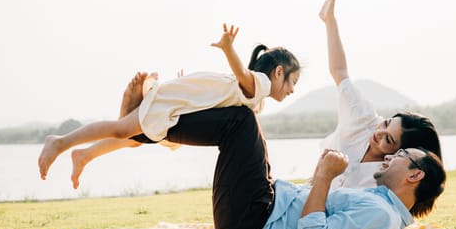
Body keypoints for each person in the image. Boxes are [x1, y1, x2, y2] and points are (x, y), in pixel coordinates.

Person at [106, 105, 445, 229]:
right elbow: (317, 208)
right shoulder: (380, 203)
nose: (388, 158)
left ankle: (138, 128)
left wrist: (326, 176)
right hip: (265, 205)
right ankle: (142, 127)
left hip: (254, 220)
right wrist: (320, 177)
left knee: (242, 120)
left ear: (414, 175)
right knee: (243, 122)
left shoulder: (379, 214)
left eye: (399, 154)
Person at [38, 24, 301, 182]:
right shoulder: (261, 83)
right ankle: (60, 142)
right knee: (121, 130)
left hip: (180, 107)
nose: (292, 90)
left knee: (132, 137)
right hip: (172, 105)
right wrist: (229, 49)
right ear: (278, 72)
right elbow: (242, 75)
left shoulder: (258, 99)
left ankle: (85, 153)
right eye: (292, 82)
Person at [317, 0, 443, 189]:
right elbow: (340, 72)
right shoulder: (362, 118)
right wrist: (329, 20)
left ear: (399, 152)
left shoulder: (390, 175)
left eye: (389, 139)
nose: (379, 133)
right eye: (386, 123)